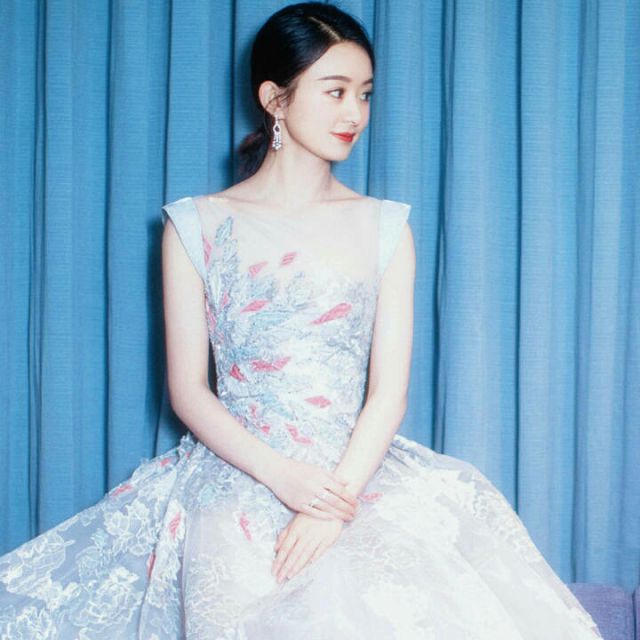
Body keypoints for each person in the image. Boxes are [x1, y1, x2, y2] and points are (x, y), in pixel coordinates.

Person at [0, 2, 605, 638]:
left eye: (365, 94)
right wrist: (286, 480)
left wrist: (330, 506)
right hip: (235, 475)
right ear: (275, 100)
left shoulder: (384, 227)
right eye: (336, 91)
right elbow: (189, 391)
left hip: (355, 475)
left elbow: (388, 395)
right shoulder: (195, 225)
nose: (355, 114)